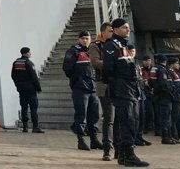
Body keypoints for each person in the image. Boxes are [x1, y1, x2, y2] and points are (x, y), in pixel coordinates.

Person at [102, 18, 149, 167]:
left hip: (132, 87)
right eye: (124, 28)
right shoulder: (111, 45)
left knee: (133, 119)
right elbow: (108, 68)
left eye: (128, 28)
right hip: (121, 87)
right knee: (128, 120)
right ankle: (129, 155)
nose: (128, 30)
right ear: (115, 29)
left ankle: (122, 155)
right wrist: (115, 83)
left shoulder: (125, 45)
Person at [62, 30, 101, 151]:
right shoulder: (73, 51)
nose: (85, 40)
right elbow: (67, 68)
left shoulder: (93, 51)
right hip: (80, 87)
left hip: (93, 87)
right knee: (81, 114)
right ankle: (81, 140)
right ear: (79, 39)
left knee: (94, 114)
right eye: (83, 38)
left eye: (87, 38)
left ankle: (94, 140)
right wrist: (76, 79)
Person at [89, 21, 115, 161]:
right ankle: (107, 149)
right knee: (109, 118)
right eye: (110, 31)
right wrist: (113, 65)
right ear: (103, 31)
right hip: (104, 84)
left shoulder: (115, 45)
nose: (112, 33)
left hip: (118, 84)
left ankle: (120, 148)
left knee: (121, 118)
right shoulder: (95, 45)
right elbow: (95, 63)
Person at [10, 46, 43, 133]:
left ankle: (25, 127)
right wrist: (38, 88)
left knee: (23, 107)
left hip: (21, 89)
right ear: (26, 53)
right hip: (30, 89)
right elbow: (34, 77)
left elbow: (13, 76)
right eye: (29, 52)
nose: (30, 53)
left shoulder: (16, 63)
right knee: (33, 107)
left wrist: (18, 85)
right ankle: (35, 127)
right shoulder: (29, 63)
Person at [149, 54, 176, 145]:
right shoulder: (161, 70)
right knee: (165, 118)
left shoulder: (158, 69)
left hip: (163, 96)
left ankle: (168, 136)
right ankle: (166, 137)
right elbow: (162, 84)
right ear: (164, 61)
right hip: (164, 96)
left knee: (166, 118)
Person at [139, 56, 154, 135]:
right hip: (145, 92)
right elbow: (139, 80)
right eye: (145, 61)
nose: (147, 62)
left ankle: (153, 126)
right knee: (148, 111)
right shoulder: (140, 70)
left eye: (149, 60)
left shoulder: (154, 70)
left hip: (155, 92)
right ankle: (146, 126)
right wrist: (144, 81)